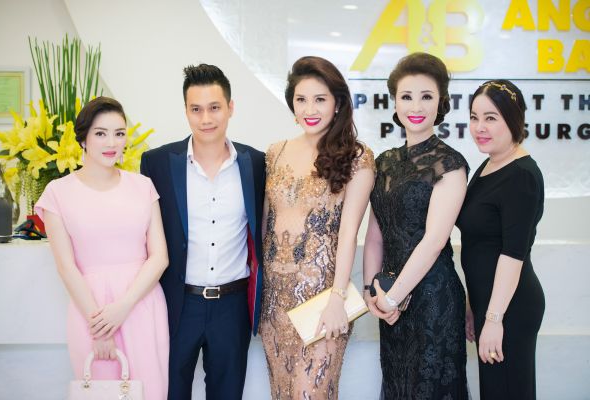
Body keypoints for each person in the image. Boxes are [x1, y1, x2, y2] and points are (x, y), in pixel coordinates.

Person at [140, 64, 265, 400]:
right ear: (185, 111)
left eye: (214, 107)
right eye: (196, 109)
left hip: (232, 306)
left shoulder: (256, 163)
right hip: (176, 303)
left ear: (230, 107)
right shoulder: (157, 163)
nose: (206, 118)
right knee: (169, 393)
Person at [35, 96, 169, 399]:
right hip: (90, 312)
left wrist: (124, 306)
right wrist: (100, 327)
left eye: (119, 133)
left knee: (151, 390)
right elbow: (66, 267)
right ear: (83, 138)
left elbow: (159, 257)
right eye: (100, 133)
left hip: (142, 304)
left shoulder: (143, 186)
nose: (112, 142)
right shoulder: (57, 193)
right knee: (99, 390)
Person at [259, 56, 375, 400]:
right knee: (282, 393)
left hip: (323, 300)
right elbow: (265, 227)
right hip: (274, 302)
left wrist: (338, 298)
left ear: (337, 103)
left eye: (320, 99)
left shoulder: (357, 157)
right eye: (301, 99)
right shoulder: (275, 152)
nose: (310, 109)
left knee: (312, 394)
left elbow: (349, 233)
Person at [362, 52, 469, 399]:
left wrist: (392, 297)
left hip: (432, 300)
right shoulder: (385, 162)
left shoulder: (450, 163)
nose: (416, 106)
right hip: (390, 301)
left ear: (441, 102)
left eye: (427, 96)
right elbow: (375, 236)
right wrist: (371, 290)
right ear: (395, 102)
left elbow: (435, 240)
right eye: (407, 96)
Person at [456, 79, 545, 399]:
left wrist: (494, 319)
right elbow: (480, 245)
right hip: (490, 303)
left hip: (511, 308)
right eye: (474, 117)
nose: (480, 127)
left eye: (491, 118)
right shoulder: (491, 163)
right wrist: (473, 304)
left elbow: (512, 254)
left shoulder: (521, 175)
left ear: (513, 119)